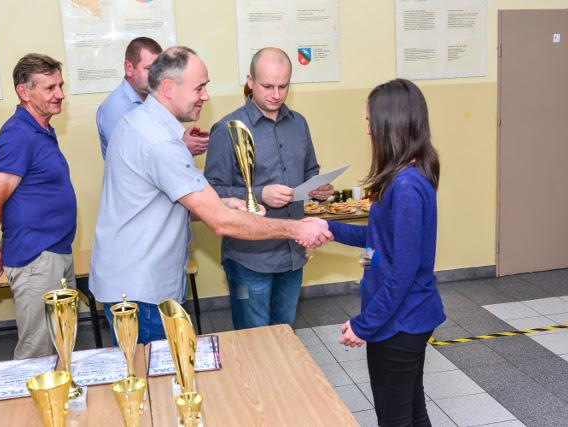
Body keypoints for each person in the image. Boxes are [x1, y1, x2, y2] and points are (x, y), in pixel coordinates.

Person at [89, 46, 332, 345]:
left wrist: (227, 202)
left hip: (138, 282)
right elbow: (219, 221)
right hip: (142, 289)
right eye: (199, 88)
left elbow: (181, 200)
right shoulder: (160, 142)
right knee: (157, 370)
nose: (205, 96)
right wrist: (296, 229)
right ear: (168, 88)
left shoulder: (144, 125)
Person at [305, 79, 445, 426]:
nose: (368, 131)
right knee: (413, 411)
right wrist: (329, 228)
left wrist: (364, 325)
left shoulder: (406, 186)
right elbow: (380, 239)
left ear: (391, 124)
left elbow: (402, 272)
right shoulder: (407, 175)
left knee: (394, 418)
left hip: (401, 321)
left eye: (372, 122)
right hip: (406, 317)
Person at [204, 47, 333, 330]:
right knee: (253, 338)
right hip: (249, 259)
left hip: (292, 254)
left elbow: (310, 171)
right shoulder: (227, 128)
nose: (276, 94)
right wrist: (260, 194)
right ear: (250, 81)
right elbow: (211, 193)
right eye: (267, 86)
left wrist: (318, 188)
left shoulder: (298, 123)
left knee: (284, 334)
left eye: (283, 86)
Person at [0, 53, 77, 360]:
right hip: (37, 262)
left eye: (60, 85)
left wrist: (2, 246)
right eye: (49, 88)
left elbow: (26, 199)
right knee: (36, 357)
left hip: (55, 252)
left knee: (63, 348)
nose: (59, 94)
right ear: (24, 92)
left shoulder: (41, 129)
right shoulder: (17, 135)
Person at [96, 36, 209, 159]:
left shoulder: (152, 97)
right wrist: (182, 147)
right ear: (129, 68)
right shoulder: (116, 108)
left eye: (159, 70)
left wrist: (180, 137)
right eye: (149, 69)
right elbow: (133, 158)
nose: (157, 76)